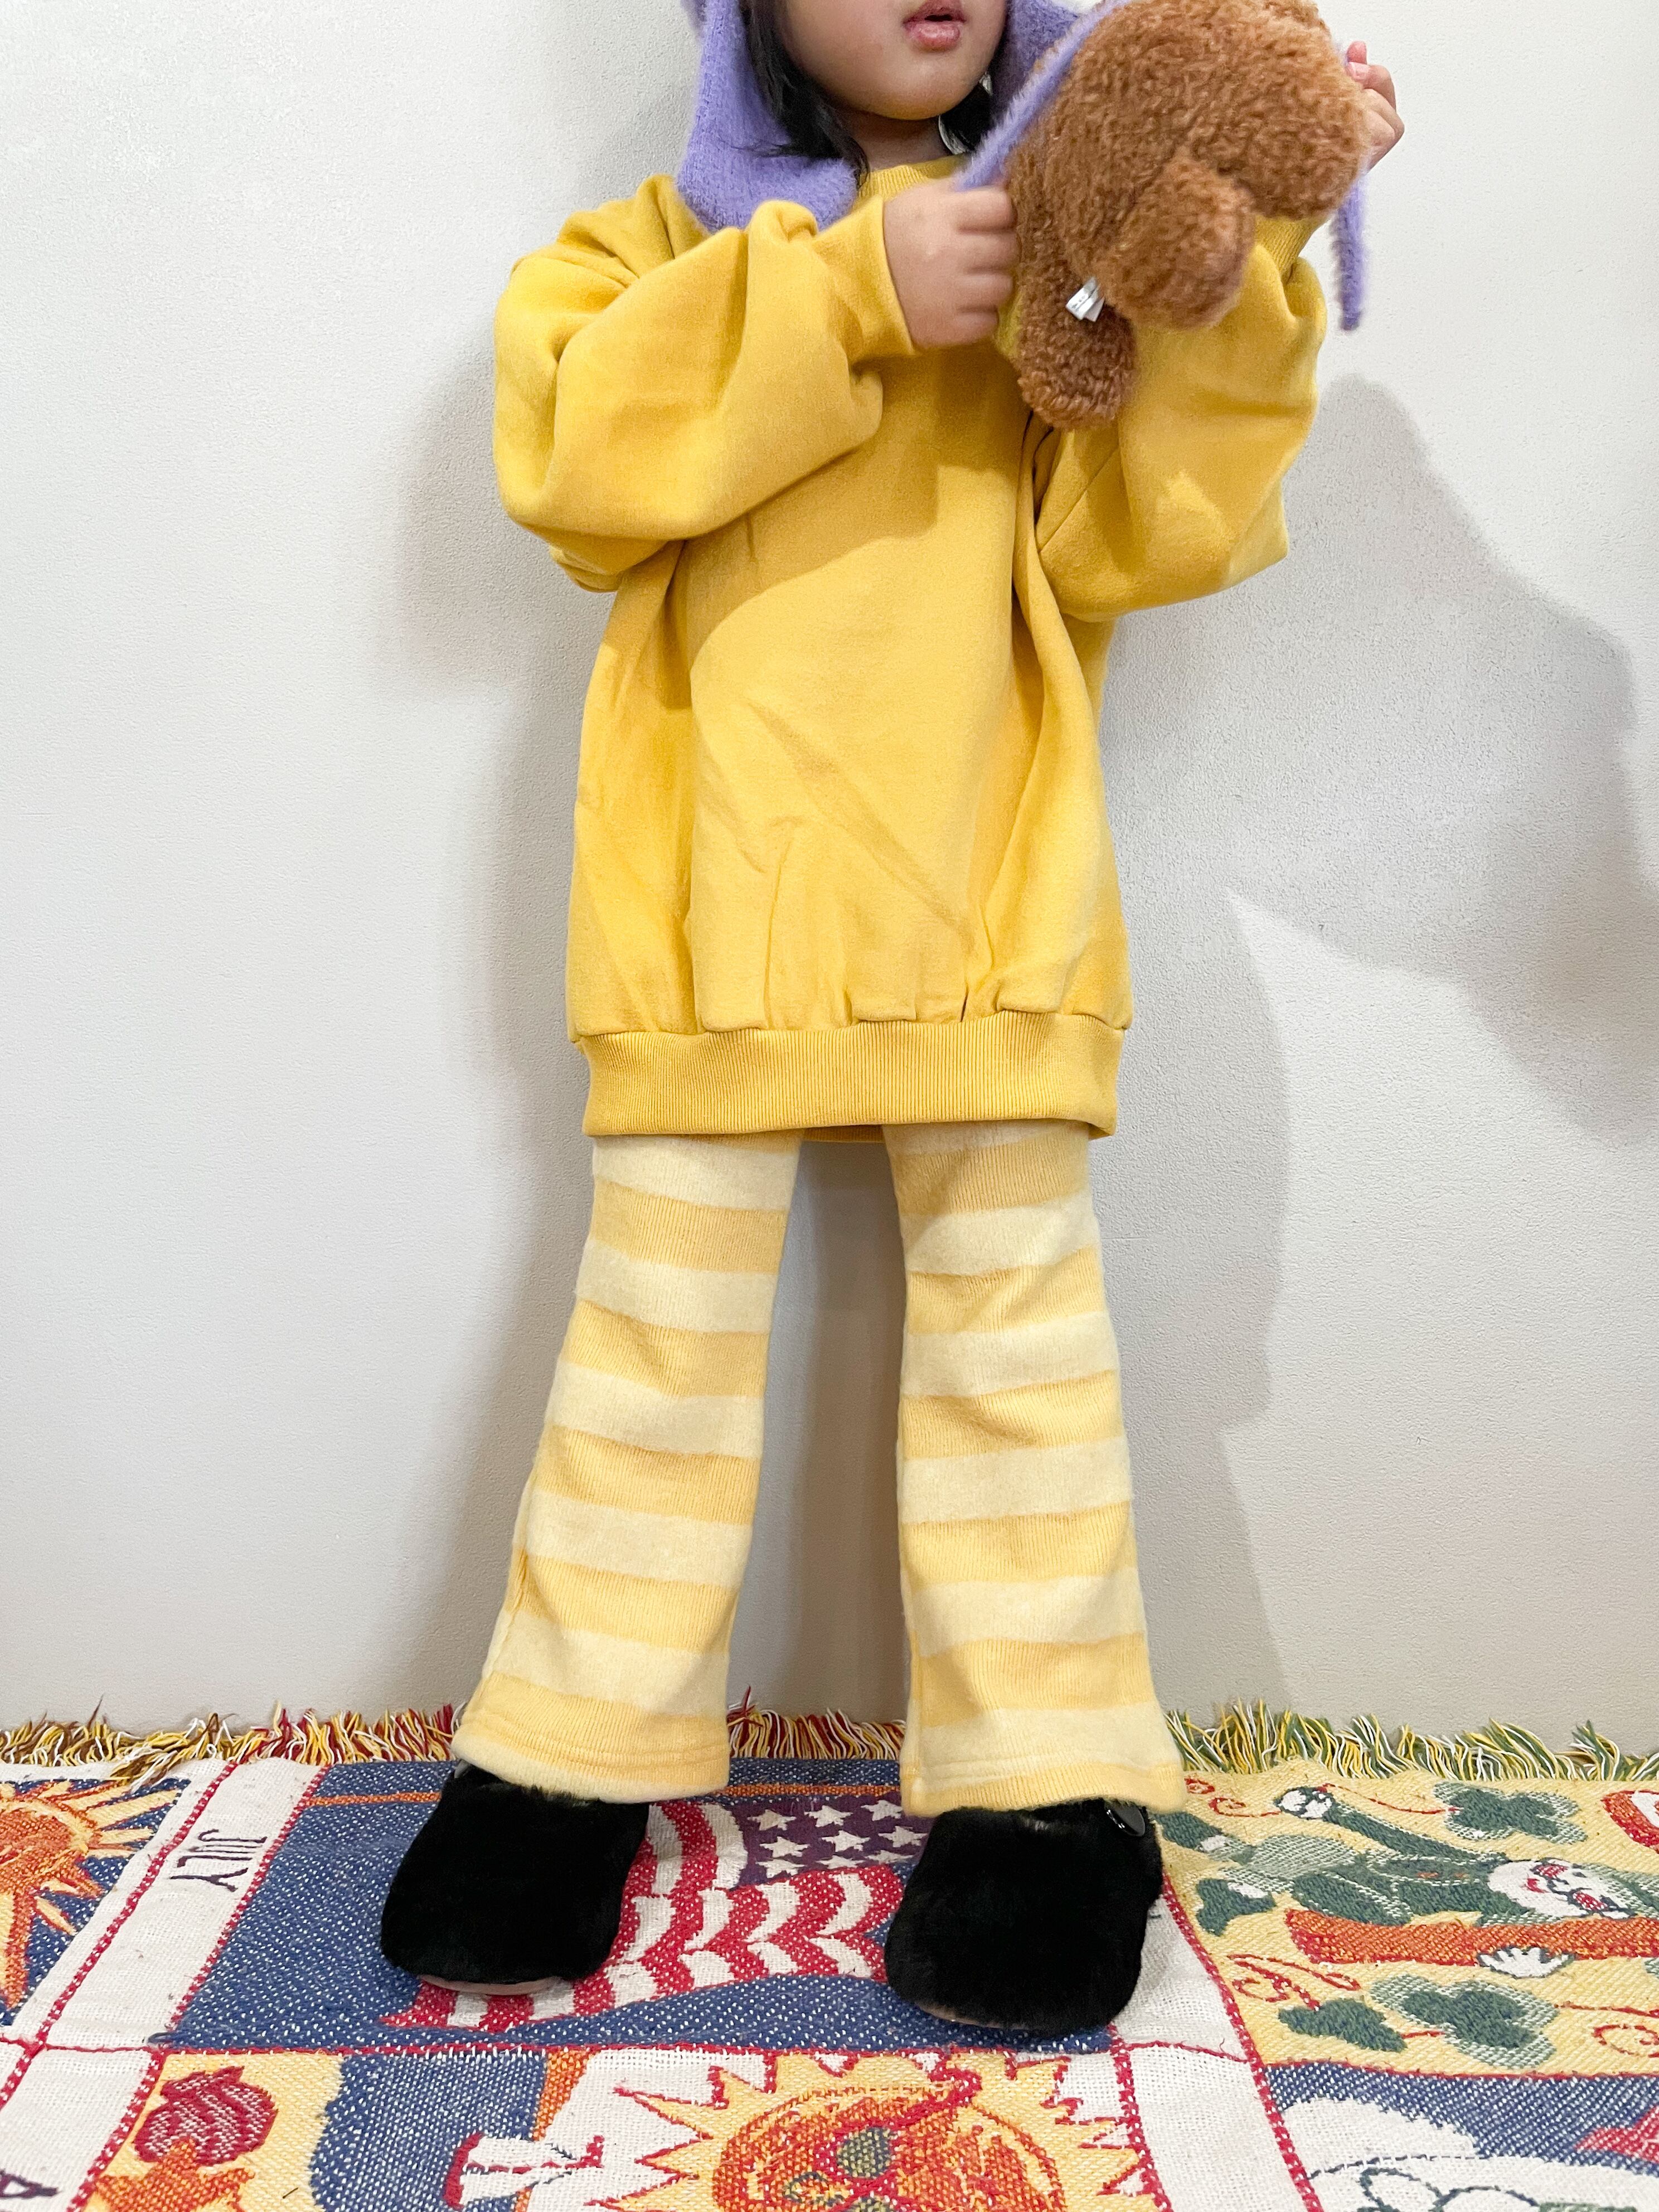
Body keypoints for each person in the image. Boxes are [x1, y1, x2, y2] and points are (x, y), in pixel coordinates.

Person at [380, 0, 1404, 2035]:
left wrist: (1242, 250)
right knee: (651, 1367)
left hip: (986, 907)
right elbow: (570, 460)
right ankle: (563, 1761)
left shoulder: (1062, 260)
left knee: (1023, 1371)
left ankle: (1049, 1792)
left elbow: (1156, 534)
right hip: (707, 929)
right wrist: (848, 291)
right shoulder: (655, 247)